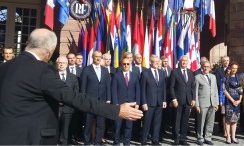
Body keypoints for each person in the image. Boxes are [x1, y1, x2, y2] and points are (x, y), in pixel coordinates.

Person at [0, 28, 142, 145]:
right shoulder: (43, 70)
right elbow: (73, 97)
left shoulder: (5, 68)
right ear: (49, 52)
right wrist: (116, 110)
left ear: (27, 43)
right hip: (31, 139)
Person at [80, 51, 112, 145]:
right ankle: (87, 142)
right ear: (93, 57)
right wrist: (83, 99)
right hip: (89, 101)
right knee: (88, 123)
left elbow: (108, 86)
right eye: (96, 56)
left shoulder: (105, 70)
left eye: (100, 57)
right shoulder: (86, 70)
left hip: (102, 101)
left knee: (100, 123)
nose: (98, 58)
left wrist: (108, 99)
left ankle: (97, 142)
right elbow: (83, 86)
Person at [111, 57, 140, 145]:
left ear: (130, 65)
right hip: (119, 105)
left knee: (128, 126)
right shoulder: (116, 75)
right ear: (121, 65)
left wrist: (138, 103)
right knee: (117, 126)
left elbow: (138, 90)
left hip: (131, 105)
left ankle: (127, 143)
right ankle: (116, 142)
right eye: (124, 64)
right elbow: (114, 90)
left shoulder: (134, 75)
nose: (126, 65)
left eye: (128, 64)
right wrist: (115, 103)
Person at [169, 55, 196, 145]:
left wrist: (193, 99)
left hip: (188, 100)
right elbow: (171, 87)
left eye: (186, 61)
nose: (184, 62)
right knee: (176, 120)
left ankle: (183, 138)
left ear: (188, 62)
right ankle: (176, 139)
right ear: (180, 62)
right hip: (178, 100)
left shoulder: (191, 72)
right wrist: (173, 99)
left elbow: (192, 87)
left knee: (185, 120)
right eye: (183, 61)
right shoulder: (174, 72)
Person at [141, 55, 167, 145]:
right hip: (149, 102)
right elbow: (143, 89)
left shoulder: (162, 72)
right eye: (154, 61)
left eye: (158, 61)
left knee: (157, 122)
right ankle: (144, 139)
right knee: (147, 122)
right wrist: (143, 102)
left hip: (159, 102)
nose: (156, 63)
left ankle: (155, 139)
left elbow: (163, 87)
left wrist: (164, 100)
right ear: (150, 62)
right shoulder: (145, 73)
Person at [56, 56, 79, 145]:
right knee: (55, 127)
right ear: (57, 64)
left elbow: (76, 92)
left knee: (66, 129)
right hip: (55, 107)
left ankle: (64, 143)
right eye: (59, 63)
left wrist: (68, 101)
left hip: (68, 107)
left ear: (67, 64)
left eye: (63, 63)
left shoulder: (73, 77)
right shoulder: (52, 75)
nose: (61, 64)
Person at [195, 60, 218, 145]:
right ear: (202, 67)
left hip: (212, 103)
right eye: (204, 66)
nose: (206, 68)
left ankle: (208, 137)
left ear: (210, 68)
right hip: (202, 103)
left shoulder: (213, 77)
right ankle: (200, 138)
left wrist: (216, 103)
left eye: (208, 66)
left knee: (210, 122)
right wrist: (197, 105)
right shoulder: (198, 77)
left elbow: (215, 90)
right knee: (201, 122)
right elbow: (195, 92)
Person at [223, 62, 243, 144]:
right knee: (228, 120)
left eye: (236, 68)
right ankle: (228, 136)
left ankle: (233, 136)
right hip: (229, 102)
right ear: (230, 68)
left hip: (237, 102)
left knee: (234, 120)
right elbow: (225, 91)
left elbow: (241, 90)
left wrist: (239, 100)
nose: (234, 69)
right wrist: (232, 100)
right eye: (233, 68)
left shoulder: (239, 78)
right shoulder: (226, 78)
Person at [215, 56, 230, 135]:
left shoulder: (231, 69)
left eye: (227, 60)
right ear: (222, 62)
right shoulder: (218, 70)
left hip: (230, 94)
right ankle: (221, 128)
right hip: (221, 92)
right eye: (225, 61)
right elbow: (217, 81)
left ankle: (228, 129)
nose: (226, 62)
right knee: (221, 113)